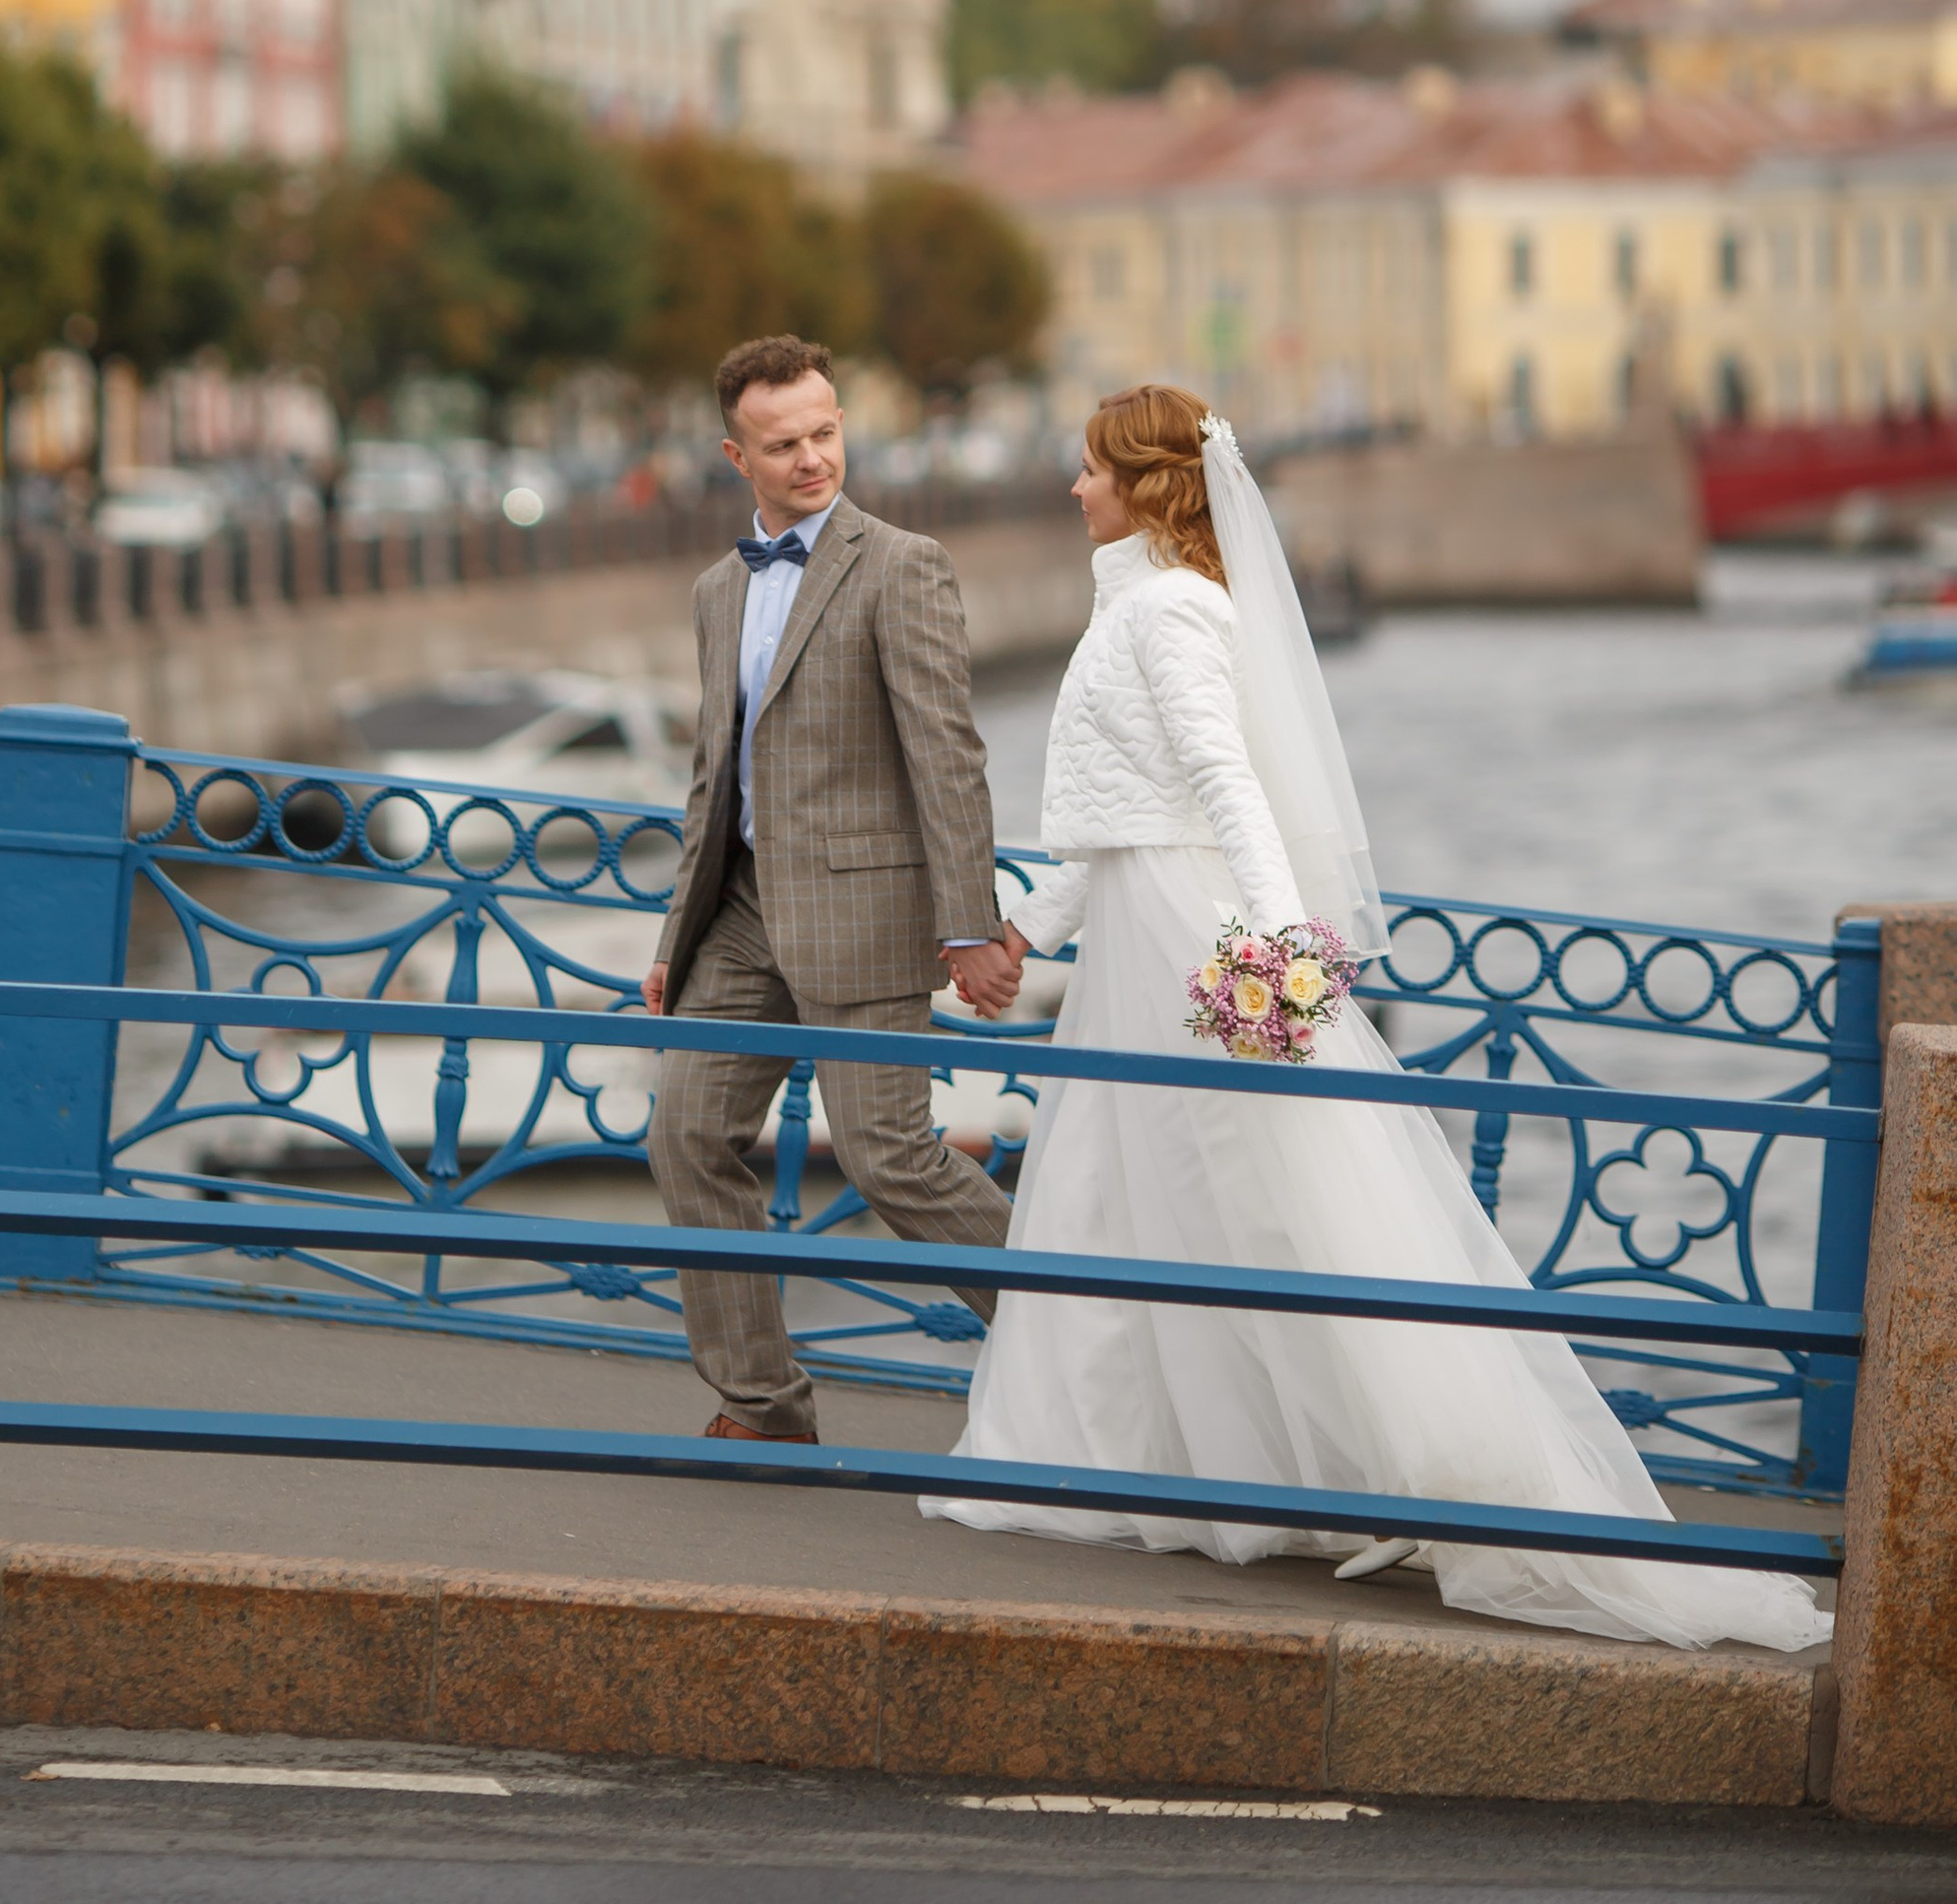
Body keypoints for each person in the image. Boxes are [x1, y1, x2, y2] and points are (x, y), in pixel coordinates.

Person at [920, 381, 1827, 1657]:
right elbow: (1125, 811)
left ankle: (1377, 1464)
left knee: (1240, 1198)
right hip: (1142, 924)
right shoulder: (1140, 599)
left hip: (1188, 939)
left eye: (1087, 469)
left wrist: (1281, 943)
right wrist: (1032, 931)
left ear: (1143, 484)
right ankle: (1161, 1456)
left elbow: (1229, 788)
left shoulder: (1172, 608)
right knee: (1145, 1198)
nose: (1071, 488)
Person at [642, 333, 1023, 1444]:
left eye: (825, 431)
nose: (812, 458)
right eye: (784, 443)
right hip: (743, 912)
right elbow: (714, 775)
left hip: (863, 905)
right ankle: (762, 1405)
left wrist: (968, 923)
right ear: (735, 455)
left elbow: (945, 753)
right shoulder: (719, 588)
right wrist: (681, 932)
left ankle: (1085, 1340)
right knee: (683, 1135)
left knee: (889, 1158)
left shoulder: (901, 563)